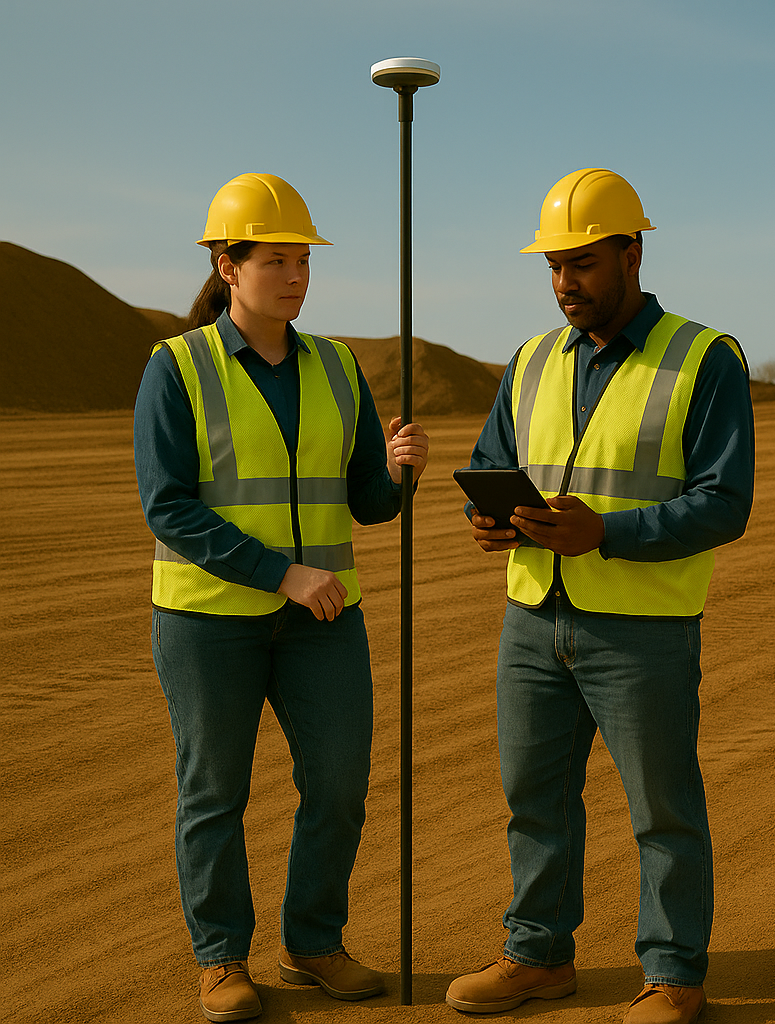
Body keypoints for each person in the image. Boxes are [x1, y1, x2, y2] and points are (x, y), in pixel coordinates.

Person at [446, 168, 753, 1024]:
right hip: (532, 619)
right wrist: (491, 519)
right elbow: (492, 460)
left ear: (632, 253)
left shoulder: (704, 358)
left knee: (663, 811)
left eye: (581, 263)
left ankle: (674, 974)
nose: (564, 284)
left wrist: (608, 533)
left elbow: (726, 503)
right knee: (534, 798)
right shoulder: (533, 359)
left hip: (643, 631)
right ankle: (537, 956)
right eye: (552, 266)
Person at [133, 172, 429, 1022]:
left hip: (325, 621)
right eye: (275, 260)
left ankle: (312, 942)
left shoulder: (337, 366)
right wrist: (282, 575)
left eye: (303, 261)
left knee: (338, 783)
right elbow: (168, 505)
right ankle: (222, 960)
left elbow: (366, 502)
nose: (295, 277)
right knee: (214, 792)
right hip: (206, 621)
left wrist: (398, 472)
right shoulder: (177, 367)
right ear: (227, 266)